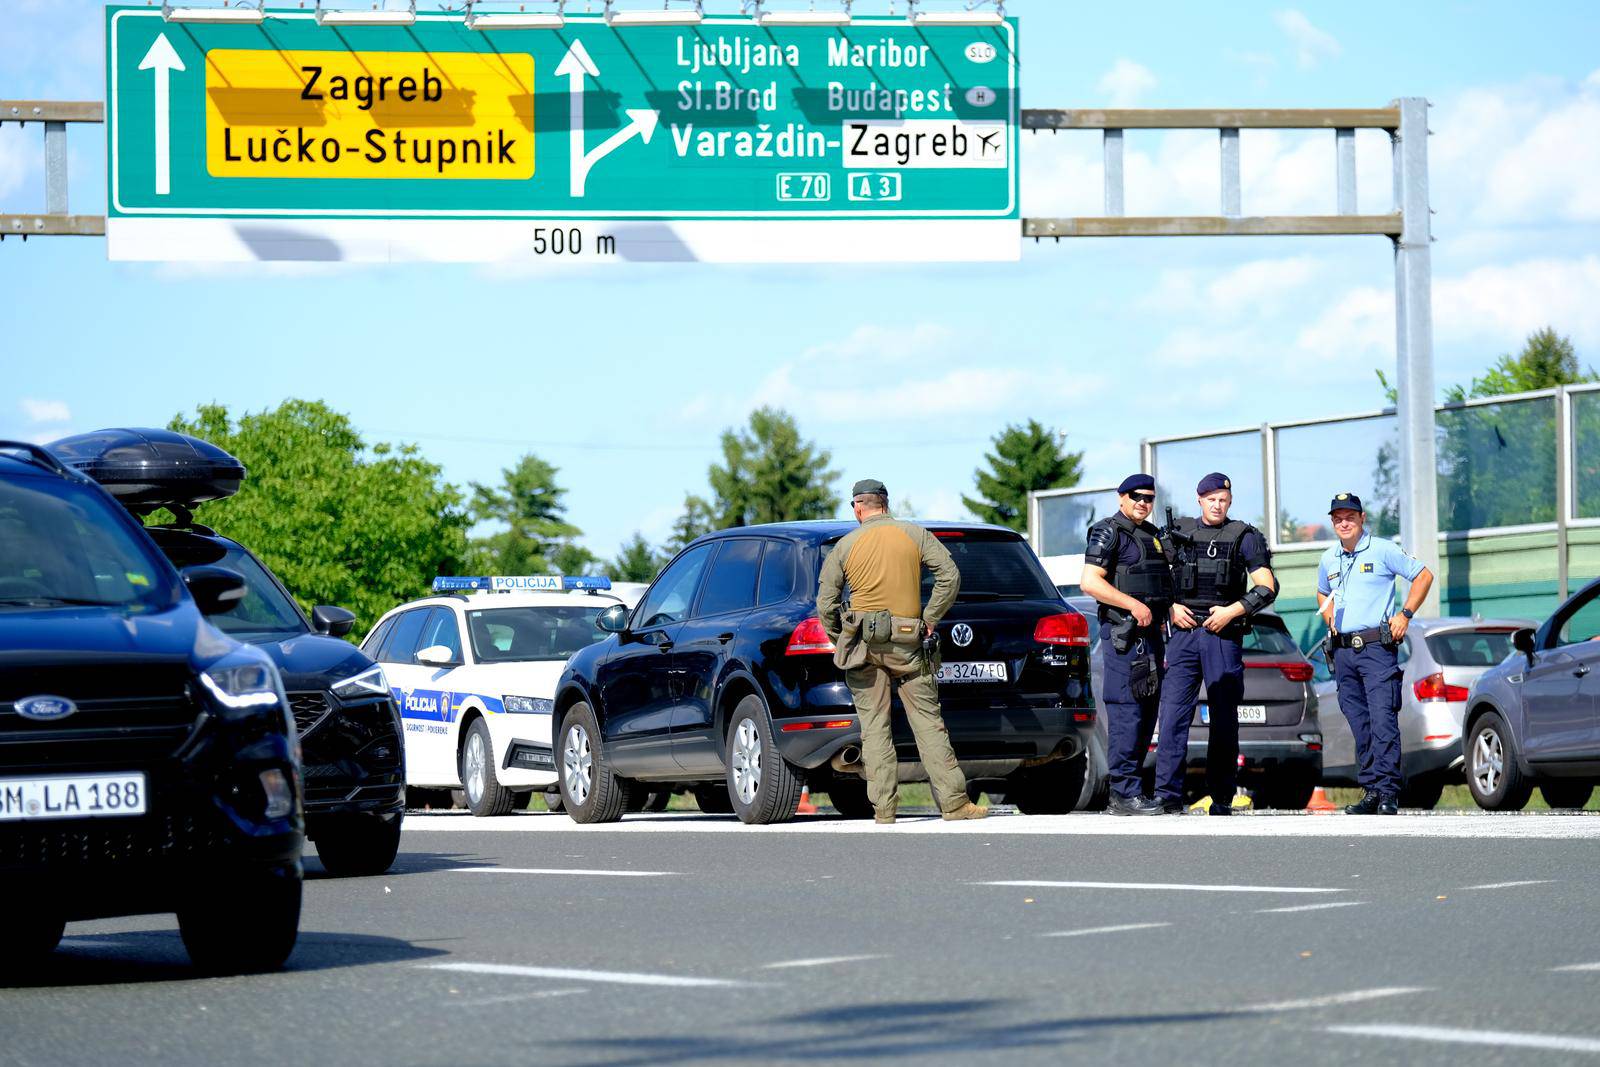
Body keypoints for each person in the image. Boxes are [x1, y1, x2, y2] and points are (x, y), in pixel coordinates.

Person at [815, 479, 987, 824]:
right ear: (885, 504)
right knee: (928, 722)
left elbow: (826, 603)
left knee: (875, 728)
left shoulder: (846, 545)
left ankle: (884, 810)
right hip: (909, 642)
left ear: (858, 507)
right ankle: (955, 805)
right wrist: (929, 618)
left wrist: (841, 637)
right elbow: (949, 576)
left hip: (863, 644)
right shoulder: (914, 534)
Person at [1153, 473, 1277, 815]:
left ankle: (1221, 797)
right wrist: (1170, 607)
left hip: (1222, 635)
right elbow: (1156, 578)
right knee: (1173, 715)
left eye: (1222, 498)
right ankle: (1167, 796)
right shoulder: (1179, 532)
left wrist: (1231, 612)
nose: (1216, 504)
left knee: (1224, 719)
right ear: (1199, 500)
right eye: (1210, 498)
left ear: (1230, 500)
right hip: (1183, 633)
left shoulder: (1245, 536)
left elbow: (1267, 586)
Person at [1317, 493, 1434, 815]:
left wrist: (1405, 615)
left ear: (1361, 518)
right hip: (1344, 653)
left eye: (1349, 517)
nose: (1344, 522)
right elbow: (1322, 592)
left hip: (1375, 649)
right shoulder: (1329, 558)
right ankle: (1370, 790)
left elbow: (1423, 576)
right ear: (1332, 521)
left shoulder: (1382, 550)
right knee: (1360, 724)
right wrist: (1330, 622)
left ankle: (1388, 792)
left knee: (1383, 720)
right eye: (1338, 517)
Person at [1079, 474, 1173, 816]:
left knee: (1147, 713)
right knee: (1126, 711)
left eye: (1149, 497)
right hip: (1124, 635)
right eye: (1136, 496)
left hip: (1150, 637)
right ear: (1121, 497)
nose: (1143, 502)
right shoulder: (1109, 531)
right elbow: (1089, 582)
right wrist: (1132, 605)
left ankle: (1133, 790)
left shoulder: (1152, 535)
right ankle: (1122, 793)